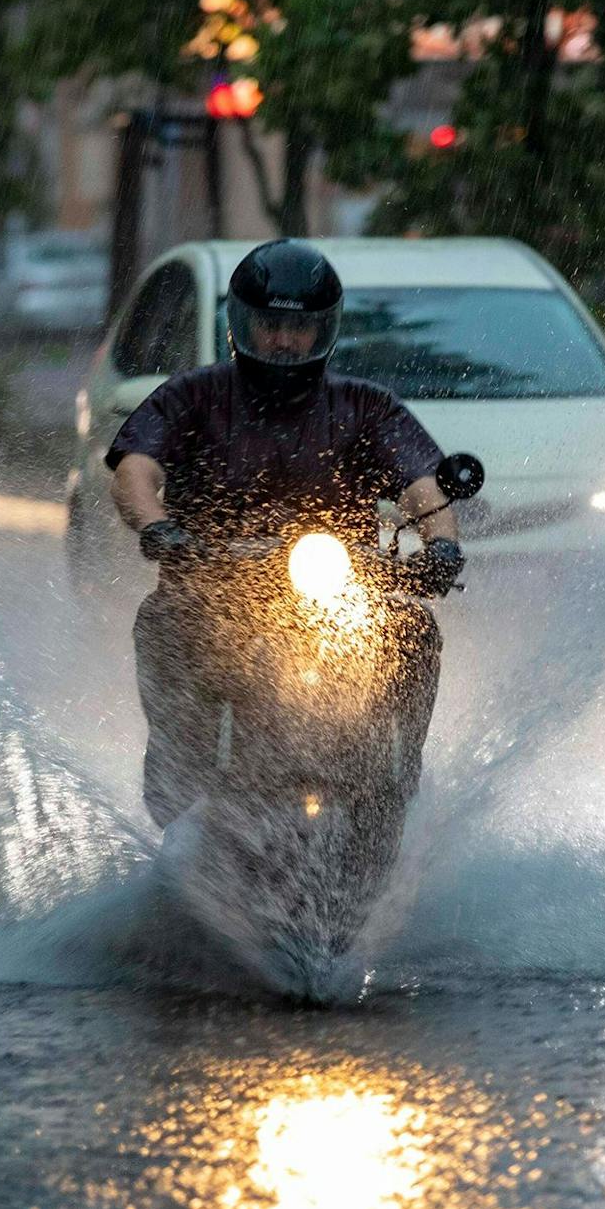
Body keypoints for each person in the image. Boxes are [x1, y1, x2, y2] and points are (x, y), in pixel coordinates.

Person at [106, 238, 466, 828]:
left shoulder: (367, 407)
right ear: (239, 324)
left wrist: (443, 545)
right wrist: (157, 528)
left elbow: (423, 485)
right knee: (164, 624)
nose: (283, 339)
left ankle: (397, 792)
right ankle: (180, 789)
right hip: (214, 591)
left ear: (325, 330)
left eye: (298, 328)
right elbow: (134, 471)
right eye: (269, 324)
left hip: (347, 599)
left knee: (414, 631)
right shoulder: (192, 397)